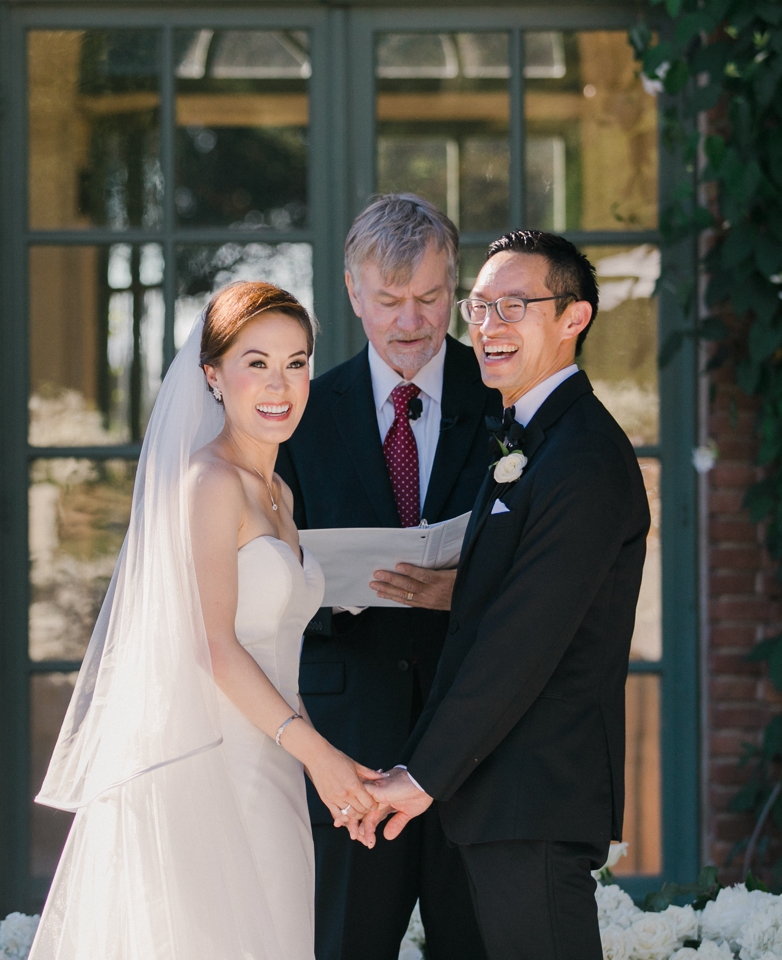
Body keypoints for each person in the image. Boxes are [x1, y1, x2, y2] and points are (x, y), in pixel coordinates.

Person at [29, 282, 378, 960]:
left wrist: (326, 777)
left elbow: (271, 636)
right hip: (211, 766)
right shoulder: (208, 481)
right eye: (257, 363)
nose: (281, 384)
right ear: (212, 375)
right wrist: (322, 758)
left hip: (271, 759)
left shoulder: (278, 490)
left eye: (297, 362)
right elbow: (213, 646)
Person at [364, 231, 652, 960]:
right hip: (496, 797)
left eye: (513, 306)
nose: (487, 327)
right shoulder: (528, 437)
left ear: (573, 318)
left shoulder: (582, 455)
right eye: (479, 306)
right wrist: (451, 594)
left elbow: (523, 640)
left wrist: (421, 774)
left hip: (536, 797)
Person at [276, 195, 493, 960]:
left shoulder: (501, 401)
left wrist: (459, 589)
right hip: (350, 747)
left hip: (475, 740)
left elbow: (545, 569)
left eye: (432, 299)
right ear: (351, 293)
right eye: (391, 301)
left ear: (456, 290)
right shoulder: (301, 411)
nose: (412, 322)